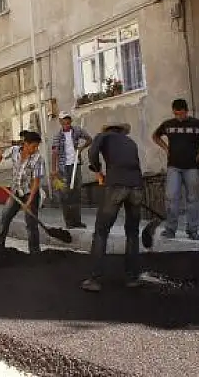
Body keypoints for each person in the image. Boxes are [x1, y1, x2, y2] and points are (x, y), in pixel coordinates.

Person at [81, 123, 144, 292]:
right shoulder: (131, 142)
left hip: (116, 186)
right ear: (123, 131)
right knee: (132, 232)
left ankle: (95, 279)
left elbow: (91, 152)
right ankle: (132, 278)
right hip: (136, 187)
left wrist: (98, 170)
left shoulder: (104, 136)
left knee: (101, 231)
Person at [152, 98, 199, 240]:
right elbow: (155, 136)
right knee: (171, 197)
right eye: (176, 114)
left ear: (186, 111)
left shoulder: (197, 124)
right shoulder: (168, 124)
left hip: (192, 167)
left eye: (182, 114)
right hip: (173, 166)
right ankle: (170, 229)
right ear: (173, 112)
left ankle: (192, 230)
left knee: (193, 199)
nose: (179, 117)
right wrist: (166, 148)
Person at [0, 131, 45, 254]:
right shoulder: (14, 151)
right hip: (15, 192)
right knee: (5, 218)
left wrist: (29, 201)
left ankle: (35, 253)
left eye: (37, 146)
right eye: (33, 146)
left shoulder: (38, 158)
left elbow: (36, 182)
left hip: (30, 193)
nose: (36, 149)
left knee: (31, 225)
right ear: (26, 144)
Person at [51, 113, 92, 229]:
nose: (66, 125)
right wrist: (54, 170)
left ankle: (77, 221)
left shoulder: (77, 131)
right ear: (60, 122)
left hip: (75, 166)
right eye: (64, 123)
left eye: (68, 122)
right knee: (65, 195)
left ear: (70, 122)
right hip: (64, 168)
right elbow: (54, 153)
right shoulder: (57, 136)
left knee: (76, 194)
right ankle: (69, 222)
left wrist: (81, 148)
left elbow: (89, 139)